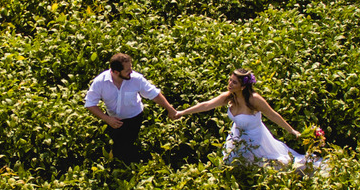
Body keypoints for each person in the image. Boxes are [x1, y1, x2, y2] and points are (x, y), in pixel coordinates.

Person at [176, 68, 327, 174]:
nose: (230, 84)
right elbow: (206, 105)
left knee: (267, 166)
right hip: (237, 136)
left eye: (234, 82)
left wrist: (293, 131)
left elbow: (273, 115)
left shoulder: (254, 100)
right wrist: (182, 112)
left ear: (242, 86)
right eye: (230, 80)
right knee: (232, 164)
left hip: (256, 139)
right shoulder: (229, 96)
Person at [84, 53, 178, 164]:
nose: (131, 72)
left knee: (127, 145)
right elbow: (90, 103)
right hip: (112, 119)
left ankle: (129, 163)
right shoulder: (100, 82)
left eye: (131, 68)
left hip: (134, 117)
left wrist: (170, 109)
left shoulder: (136, 79)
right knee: (117, 143)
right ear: (116, 72)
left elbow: (154, 94)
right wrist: (107, 119)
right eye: (127, 70)